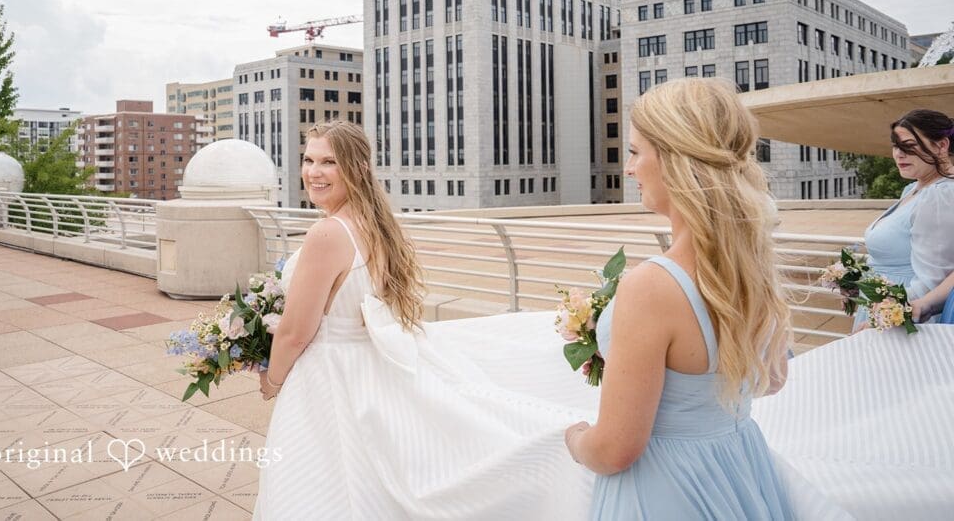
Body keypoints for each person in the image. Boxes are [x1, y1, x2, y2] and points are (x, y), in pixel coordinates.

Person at [252, 120, 596, 519]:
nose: (314, 172)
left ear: (358, 168)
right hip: (364, 367)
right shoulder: (374, 224)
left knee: (320, 486)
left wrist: (273, 380)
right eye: (309, 160)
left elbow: (296, 332)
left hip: (328, 375)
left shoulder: (327, 234)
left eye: (329, 162)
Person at [563, 78, 800, 519]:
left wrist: (575, 440)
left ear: (675, 159)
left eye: (635, 152)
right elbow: (772, 380)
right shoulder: (751, 267)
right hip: (738, 471)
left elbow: (615, 450)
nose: (628, 169)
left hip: (666, 490)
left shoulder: (651, 287)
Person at [857, 109, 954, 328]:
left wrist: (880, 320)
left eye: (909, 146)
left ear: (941, 145)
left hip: (900, 321)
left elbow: (932, 281)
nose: (898, 154)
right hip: (886, 309)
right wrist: (858, 284)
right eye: (895, 145)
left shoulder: (940, 194)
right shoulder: (915, 189)